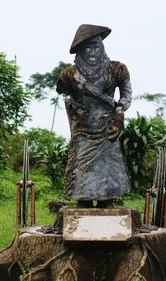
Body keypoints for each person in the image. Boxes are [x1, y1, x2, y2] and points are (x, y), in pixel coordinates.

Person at [56, 24, 132, 208]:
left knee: (108, 171)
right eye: (87, 47)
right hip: (83, 131)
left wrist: (120, 113)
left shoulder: (117, 69)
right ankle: (84, 200)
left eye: (96, 47)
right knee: (81, 171)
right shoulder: (69, 74)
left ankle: (107, 201)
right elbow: (60, 90)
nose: (92, 52)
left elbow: (126, 95)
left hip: (108, 129)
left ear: (102, 48)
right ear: (81, 50)